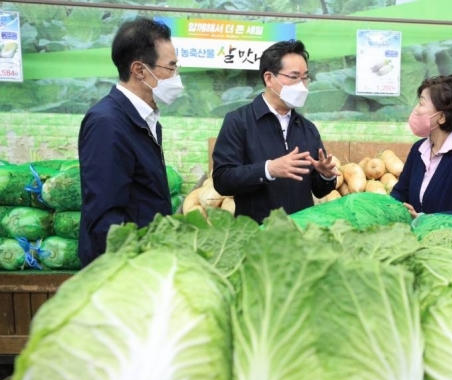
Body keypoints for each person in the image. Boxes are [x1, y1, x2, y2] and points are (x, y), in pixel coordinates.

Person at [78, 17, 183, 266]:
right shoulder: (107, 123)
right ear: (139, 70)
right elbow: (105, 217)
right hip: (123, 268)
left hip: (146, 258)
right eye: (171, 68)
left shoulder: (144, 117)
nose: (176, 76)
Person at [212, 40, 340, 224]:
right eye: (294, 77)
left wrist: (325, 175)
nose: (302, 85)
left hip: (299, 234)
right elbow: (223, 180)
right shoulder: (238, 121)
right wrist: (268, 169)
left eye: (305, 78)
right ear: (269, 78)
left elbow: (319, 190)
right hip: (257, 235)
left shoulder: (308, 128)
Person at [390, 74, 452, 219]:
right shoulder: (418, 150)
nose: (416, 110)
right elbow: (400, 193)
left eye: (421, 103)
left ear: (441, 117)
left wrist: (424, 219)